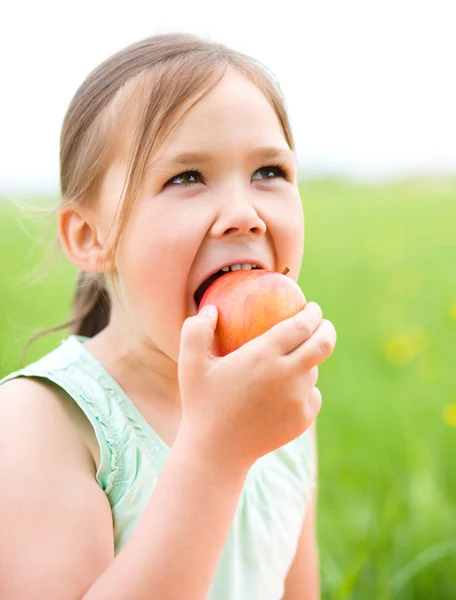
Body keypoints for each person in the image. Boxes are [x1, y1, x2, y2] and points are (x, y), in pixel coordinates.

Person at [0, 33, 336, 599]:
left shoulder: (281, 403)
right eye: (186, 178)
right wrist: (216, 456)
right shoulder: (40, 422)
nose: (243, 214)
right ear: (90, 237)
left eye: (269, 172)